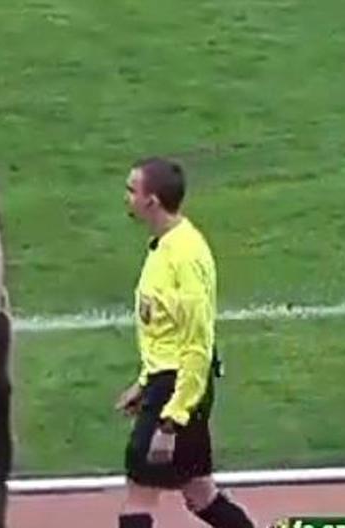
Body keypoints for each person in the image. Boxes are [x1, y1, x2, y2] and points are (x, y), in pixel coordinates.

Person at [116, 157, 254, 528]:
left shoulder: (185, 257)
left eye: (132, 190)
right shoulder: (165, 245)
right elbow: (166, 334)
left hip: (179, 392)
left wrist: (171, 421)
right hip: (169, 384)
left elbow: (196, 344)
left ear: (152, 201)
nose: (126, 197)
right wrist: (144, 383)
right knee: (199, 494)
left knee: (139, 497)